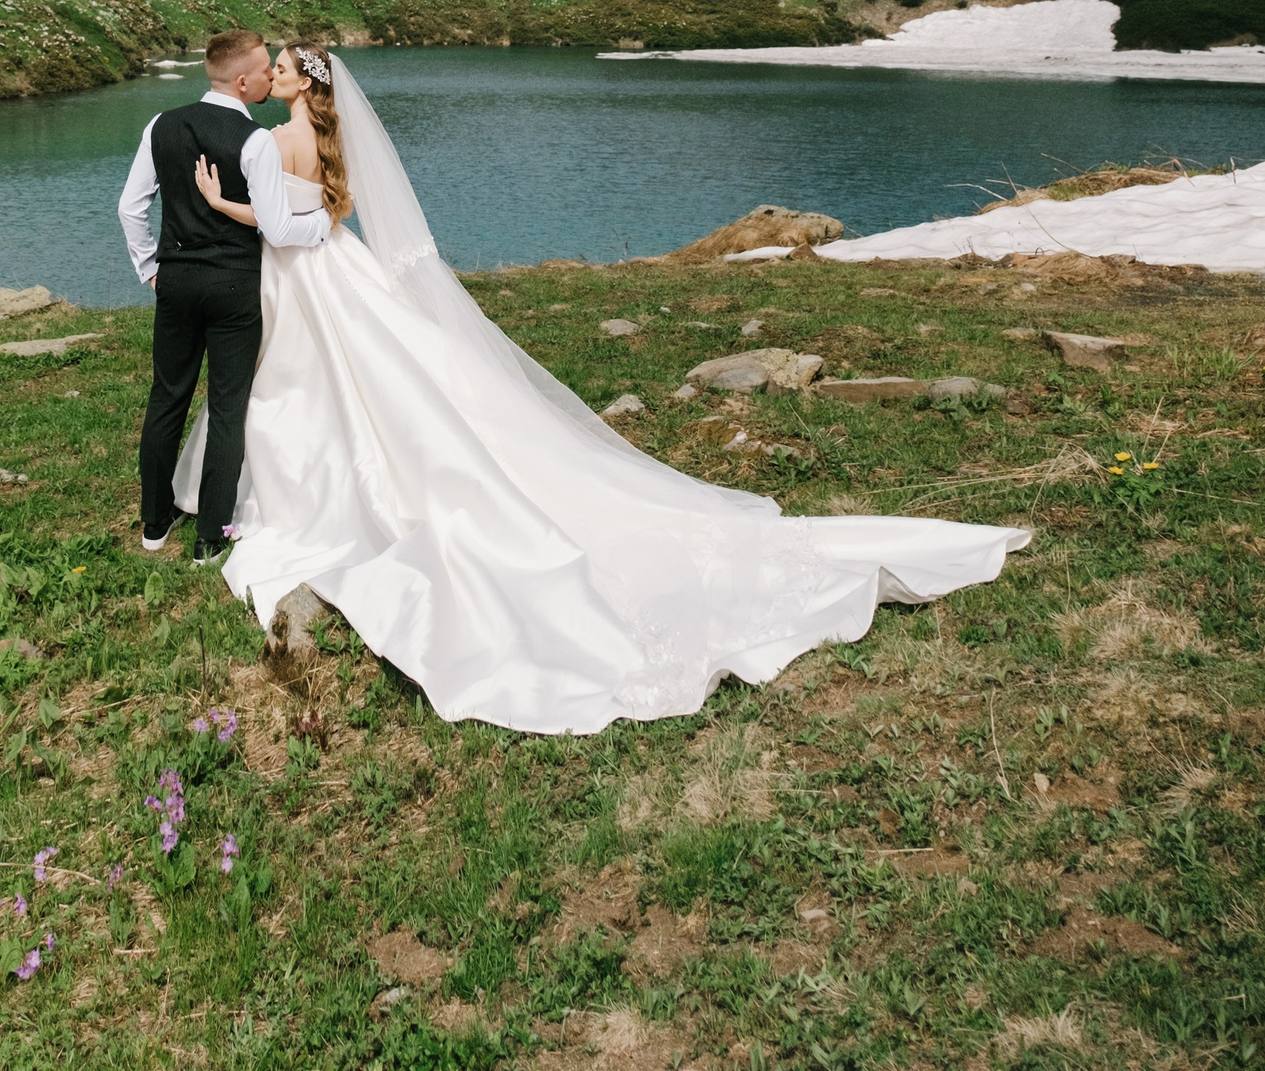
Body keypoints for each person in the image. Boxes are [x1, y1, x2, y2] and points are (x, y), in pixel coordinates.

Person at [183, 42, 1031, 734]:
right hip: (342, 269)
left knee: (304, 390)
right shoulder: (328, 139)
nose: (273, 70)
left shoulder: (276, 140)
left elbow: (284, 225)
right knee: (363, 383)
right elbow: (327, 215)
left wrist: (222, 208)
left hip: (304, 279)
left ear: (301, 82)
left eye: (283, 65)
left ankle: (275, 498)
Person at [117, 29, 331, 560]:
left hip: (176, 281)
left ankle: (154, 524)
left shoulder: (160, 125)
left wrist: (150, 270)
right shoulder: (255, 140)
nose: (268, 77)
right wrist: (322, 224)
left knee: (167, 397)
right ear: (241, 81)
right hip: (234, 286)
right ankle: (210, 538)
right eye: (262, 70)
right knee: (229, 407)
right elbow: (278, 228)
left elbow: (130, 208)